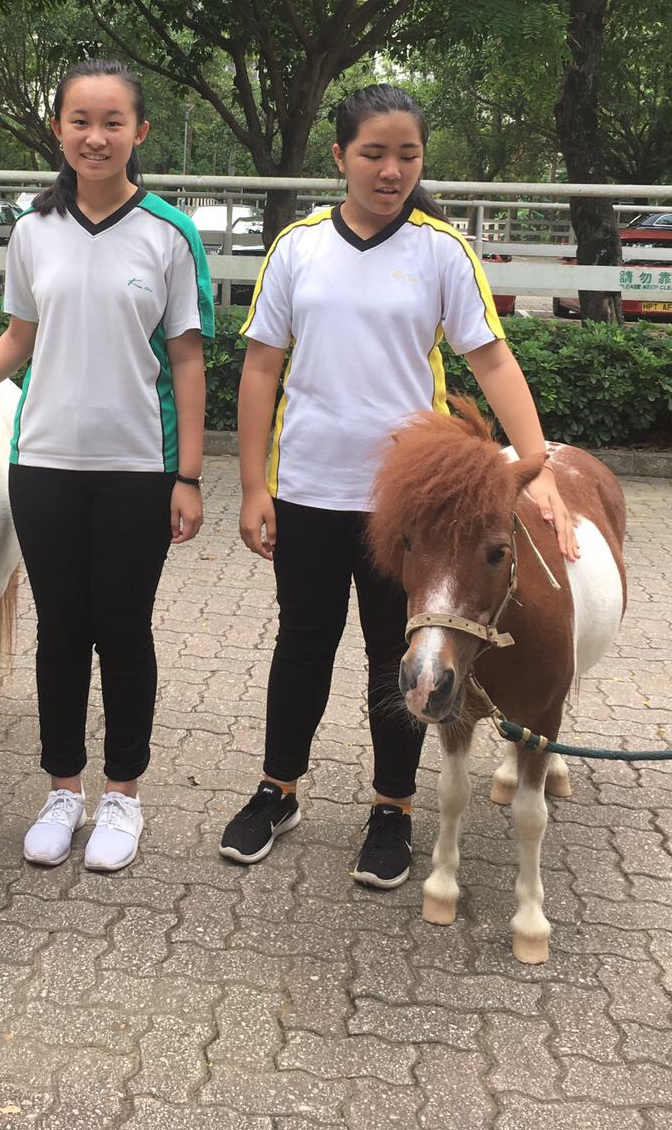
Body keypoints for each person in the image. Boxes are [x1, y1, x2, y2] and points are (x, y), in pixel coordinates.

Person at [218, 84, 578, 888]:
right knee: (302, 642)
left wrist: (539, 467)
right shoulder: (298, 247)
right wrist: (252, 486)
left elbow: (492, 358)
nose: (391, 170)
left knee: (400, 652)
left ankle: (393, 807)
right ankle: (278, 790)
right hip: (308, 488)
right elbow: (261, 367)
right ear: (340, 156)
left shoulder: (441, 250)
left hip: (414, 510)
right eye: (373, 154)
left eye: (407, 155)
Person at [0, 60, 213, 873]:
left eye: (112, 122)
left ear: (139, 132)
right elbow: (17, 339)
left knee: (123, 631)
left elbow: (186, 357)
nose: (95, 137)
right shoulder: (34, 230)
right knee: (61, 631)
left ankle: (123, 795)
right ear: (58, 129)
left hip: (138, 469)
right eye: (80, 121)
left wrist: (189, 475)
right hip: (41, 466)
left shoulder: (170, 234)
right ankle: (63, 790)